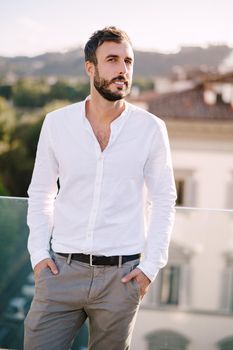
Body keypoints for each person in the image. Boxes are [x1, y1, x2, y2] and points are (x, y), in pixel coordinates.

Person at [24, 26, 177, 350]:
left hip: (122, 280)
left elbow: (164, 200)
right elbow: (40, 193)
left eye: (128, 61)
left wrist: (151, 267)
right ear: (90, 67)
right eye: (112, 59)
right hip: (61, 271)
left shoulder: (151, 129)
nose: (123, 69)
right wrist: (39, 255)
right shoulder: (57, 123)